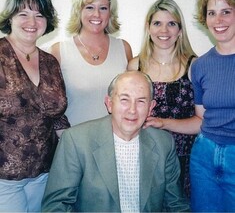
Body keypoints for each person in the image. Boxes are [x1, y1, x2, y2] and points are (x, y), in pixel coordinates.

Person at [41, 70, 190, 212]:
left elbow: (176, 204)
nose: (132, 110)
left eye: (141, 101)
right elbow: (56, 206)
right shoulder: (76, 141)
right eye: (125, 100)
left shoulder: (163, 144)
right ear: (109, 103)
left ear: (151, 108)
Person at [0, 0, 70, 212]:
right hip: (5, 179)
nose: (32, 23)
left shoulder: (50, 62)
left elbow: (57, 116)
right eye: (23, 14)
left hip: (45, 174)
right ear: (9, 17)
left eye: (39, 15)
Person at [128, 0, 198, 198]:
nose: (164, 30)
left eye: (171, 23)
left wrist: (163, 123)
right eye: (157, 23)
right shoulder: (135, 67)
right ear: (148, 28)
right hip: (145, 156)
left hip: (185, 158)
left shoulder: (195, 66)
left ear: (180, 30)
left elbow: (202, 122)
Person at [49, 0, 133, 126]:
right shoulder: (59, 51)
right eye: (89, 7)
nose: (97, 14)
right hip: (74, 141)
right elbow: (51, 107)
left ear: (110, 13)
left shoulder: (123, 48)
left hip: (115, 140)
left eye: (103, 8)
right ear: (79, 11)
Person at [189, 0, 235, 212]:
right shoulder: (200, 66)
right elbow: (201, 119)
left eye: (226, 11)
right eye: (212, 13)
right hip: (203, 156)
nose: (219, 20)